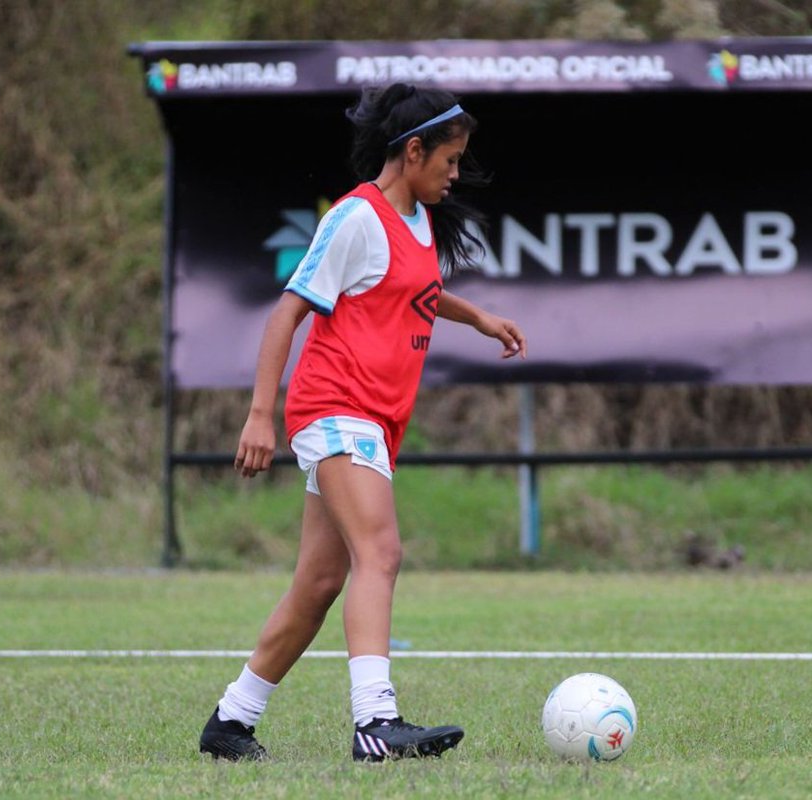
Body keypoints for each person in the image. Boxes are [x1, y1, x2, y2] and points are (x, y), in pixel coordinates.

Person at [198, 83, 526, 763]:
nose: (455, 173)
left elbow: (415, 292)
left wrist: (479, 318)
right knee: (381, 553)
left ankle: (231, 721)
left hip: (372, 419)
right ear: (413, 151)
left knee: (320, 584)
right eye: (450, 160)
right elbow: (286, 312)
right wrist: (260, 415)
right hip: (334, 407)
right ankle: (376, 722)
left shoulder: (417, 223)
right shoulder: (354, 217)